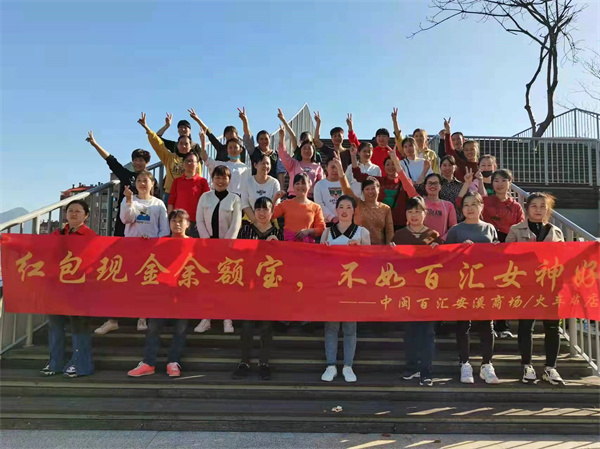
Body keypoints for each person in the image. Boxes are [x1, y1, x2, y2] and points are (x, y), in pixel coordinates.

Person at [506, 192, 565, 386]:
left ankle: (550, 367)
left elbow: (564, 259)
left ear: (548, 210)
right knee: (525, 326)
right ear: (527, 208)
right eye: (534, 206)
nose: (538, 210)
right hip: (526, 286)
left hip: (550, 286)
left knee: (553, 327)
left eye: (542, 206)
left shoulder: (556, 231)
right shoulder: (516, 230)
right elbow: (506, 258)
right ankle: (527, 365)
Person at [127, 209, 192, 378]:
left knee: (180, 330)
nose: (177, 224)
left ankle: (173, 362)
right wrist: (144, 244)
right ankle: (148, 363)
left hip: (184, 294)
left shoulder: (195, 244)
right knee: (153, 328)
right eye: (173, 221)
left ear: (188, 224)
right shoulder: (161, 242)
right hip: (161, 294)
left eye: (181, 221)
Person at [446, 191, 500, 385]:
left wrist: (496, 248)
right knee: (463, 325)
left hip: (485, 283)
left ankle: (487, 364)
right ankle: (465, 363)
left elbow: (496, 257)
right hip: (462, 283)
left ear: (481, 206)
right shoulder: (455, 230)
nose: (470, 208)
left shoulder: (489, 228)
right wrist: (459, 249)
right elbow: (445, 258)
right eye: (466, 205)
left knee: (487, 324)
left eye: (474, 204)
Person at [41, 200, 96, 378]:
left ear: (86, 215)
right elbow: (39, 248)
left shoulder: (90, 236)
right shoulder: (58, 233)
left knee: (79, 326)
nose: (73, 214)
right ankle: (55, 362)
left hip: (79, 288)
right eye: (70, 210)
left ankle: (81, 364)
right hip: (57, 287)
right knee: (55, 325)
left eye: (78, 211)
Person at [391, 196, 442, 387]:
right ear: (405, 214)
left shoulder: (432, 235)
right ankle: (411, 367)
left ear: (425, 213)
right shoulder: (399, 236)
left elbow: (443, 262)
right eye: (410, 212)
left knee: (427, 332)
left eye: (418, 211)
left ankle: (426, 371)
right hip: (407, 291)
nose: (414, 215)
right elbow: (392, 264)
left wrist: (438, 249)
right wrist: (390, 251)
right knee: (410, 332)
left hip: (428, 291)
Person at [320, 195, 370, 383]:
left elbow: (371, 261)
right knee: (331, 326)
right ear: (336, 209)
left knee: (350, 327)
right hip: (332, 286)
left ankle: (348, 365)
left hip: (353, 286)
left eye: (348, 207)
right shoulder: (327, 232)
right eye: (341, 207)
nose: (344, 211)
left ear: (354, 211)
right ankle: (331, 365)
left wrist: (361, 249)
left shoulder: (362, 232)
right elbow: (318, 261)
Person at [233, 197, 283, 381]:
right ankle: (244, 361)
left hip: (268, 287)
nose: (262, 213)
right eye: (258, 209)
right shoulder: (245, 230)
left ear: (272, 212)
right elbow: (237, 254)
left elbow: (284, 261)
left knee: (266, 326)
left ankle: (264, 363)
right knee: (246, 325)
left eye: (265, 209)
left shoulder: (277, 232)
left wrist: (277, 245)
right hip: (249, 285)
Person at [119, 170, 170, 332]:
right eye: (139, 180)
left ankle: (143, 316)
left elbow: (164, 228)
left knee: (147, 284)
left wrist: (155, 243)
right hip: (132, 248)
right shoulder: (129, 200)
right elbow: (126, 219)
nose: (142, 183)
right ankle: (129, 313)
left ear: (152, 183)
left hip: (152, 251)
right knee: (133, 282)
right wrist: (129, 201)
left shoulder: (158, 204)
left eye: (145, 180)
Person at [195, 165, 242, 334]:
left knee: (226, 284)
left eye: (224, 178)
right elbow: (199, 220)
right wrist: (207, 241)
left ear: (229, 180)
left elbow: (236, 223)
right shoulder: (205, 197)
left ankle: (227, 318)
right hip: (208, 247)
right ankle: (206, 318)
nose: (220, 181)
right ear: (212, 179)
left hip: (227, 249)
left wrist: (226, 244)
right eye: (218, 178)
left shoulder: (235, 199)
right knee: (208, 284)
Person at [85, 131, 151, 238]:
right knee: (120, 243)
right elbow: (111, 160)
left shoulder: (151, 181)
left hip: (143, 218)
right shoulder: (126, 175)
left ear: (147, 163)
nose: (138, 163)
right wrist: (95, 144)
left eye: (141, 160)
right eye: (135, 160)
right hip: (124, 218)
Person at [138, 112, 200, 204]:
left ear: (190, 146)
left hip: (188, 193)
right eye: (181, 144)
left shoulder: (194, 160)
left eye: (186, 144)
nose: (183, 146)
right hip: (171, 193)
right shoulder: (169, 157)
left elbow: (198, 178)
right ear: (177, 145)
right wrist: (146, 127)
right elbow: (157, 142)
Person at [351, 146, 418, 230]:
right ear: (384, 167)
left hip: (400, 224)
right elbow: (358, 176)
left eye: (393, 164)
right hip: (382, 223)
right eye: (388, 164)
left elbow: (413, 195)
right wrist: (353, 156)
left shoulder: (405, 182)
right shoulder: (379, 181)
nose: (390, 167)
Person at [334, 158, 394, 245]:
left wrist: (389, 247)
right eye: (367, 189)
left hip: (378, 249)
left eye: (373, 188)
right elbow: (346, 188)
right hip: (359, 247)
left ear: (378, 190)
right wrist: (340, 169)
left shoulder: (386, 209)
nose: (370, 192)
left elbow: (389, 231)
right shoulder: (358, 204)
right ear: (363, 191)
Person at [272, 173, 326, 242]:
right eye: (297, 183)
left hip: (306, 245)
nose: (300, 186)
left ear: (309, 185)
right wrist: (275, 198)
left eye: (303, 183)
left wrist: (308, 231)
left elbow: (321, 228)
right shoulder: (286, 204)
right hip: (288, 244)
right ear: (293, 186)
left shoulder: (316, 207)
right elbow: (270, 215)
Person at [167, 151, 210, 237]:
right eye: (187, 161)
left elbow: (207, 202)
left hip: (196, 222)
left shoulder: (202, 181)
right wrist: (171, 219)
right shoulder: (177, 181)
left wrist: (203, 220)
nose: (189, 163)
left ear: (197, 164)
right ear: (183, 163)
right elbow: (171, 201)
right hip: (178, 222)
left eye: (192, 161)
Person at [239, 107, 285, 185]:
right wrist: (245, 121)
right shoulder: (254, 151)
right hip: (255, 185)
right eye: (261, 139)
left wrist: (282, 188)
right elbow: (248, 137)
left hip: (271, 186)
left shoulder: (276, 154)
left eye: (266, 139)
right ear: (257, 141)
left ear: (269, 140)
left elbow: (280, 172)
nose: (264, 141)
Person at [278, 125, 324, 199]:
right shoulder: (294, 164)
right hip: (293, 197)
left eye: (309, 149)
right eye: (304, 148)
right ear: (300, 151)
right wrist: (282, 138)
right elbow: (283, 154)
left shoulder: (317, 167)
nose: (307, 151)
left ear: (313, 151)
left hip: (310, 198)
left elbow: (321, 184)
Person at [199, 130, 249, 196]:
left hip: (239, 200)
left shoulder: (246, 168)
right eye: (230, 147)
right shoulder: (222, 165)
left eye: (235, 147)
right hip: (223, 199)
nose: (233, 150)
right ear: (227, 150)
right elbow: (205, 159)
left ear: (241, 149)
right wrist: (203, 142)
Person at [241, 154, 281, 224]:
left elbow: (276, 204)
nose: (266, 166)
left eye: (268, 164)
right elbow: (244, 204)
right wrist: (255, 221)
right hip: (250, 219)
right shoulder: (247, 182)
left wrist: (265, 220)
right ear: (255, 165)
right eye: (263, 163)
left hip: (270, 219)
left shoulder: (274, 182)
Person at [423, 173, 457, 241]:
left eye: (436, 183)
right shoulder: (420, 203)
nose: (433, 186)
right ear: (425, 186)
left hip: (441, 243)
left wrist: (442, 239)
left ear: (440, 186)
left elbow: (453, 227)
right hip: (422, 243)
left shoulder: (448, 205)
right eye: (430, 183)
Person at [314, 157, 343, 226]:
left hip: (344, 222)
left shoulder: (345, 184)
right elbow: (319, 204)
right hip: (326, 223)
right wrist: (332, 217)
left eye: (337, 167)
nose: (335, 170)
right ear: (326, 167)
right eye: (332, 167)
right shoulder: (319, 185)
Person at [438, 156, 465, 222]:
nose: (447, 168)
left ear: (455, 167)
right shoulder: (436, 183)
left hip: (458, 220)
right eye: (444, 165)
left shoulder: (460, 185)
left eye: (450, 165)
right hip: (441, 219)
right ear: (440, 167)